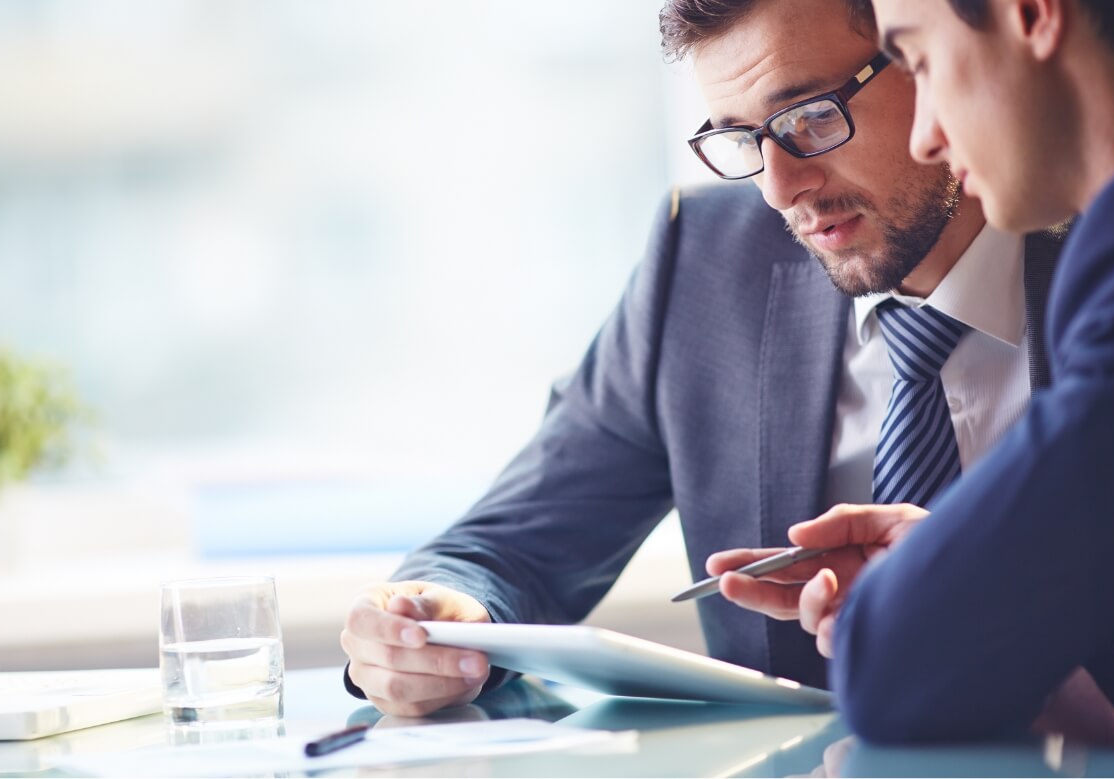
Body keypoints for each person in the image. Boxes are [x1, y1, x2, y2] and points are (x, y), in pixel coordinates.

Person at [339, 0, 1063, 717]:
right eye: (739, 138)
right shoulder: (706, 263)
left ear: (926, 58)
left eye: (811, 116)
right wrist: (431, 618)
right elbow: (514, 542)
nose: (780, 190)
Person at [713, 0, 1114, 756]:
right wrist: (975, 581)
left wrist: (935, 601)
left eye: (921, 62)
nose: (928, 132)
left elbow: (888, 669)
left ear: (1030, 13)